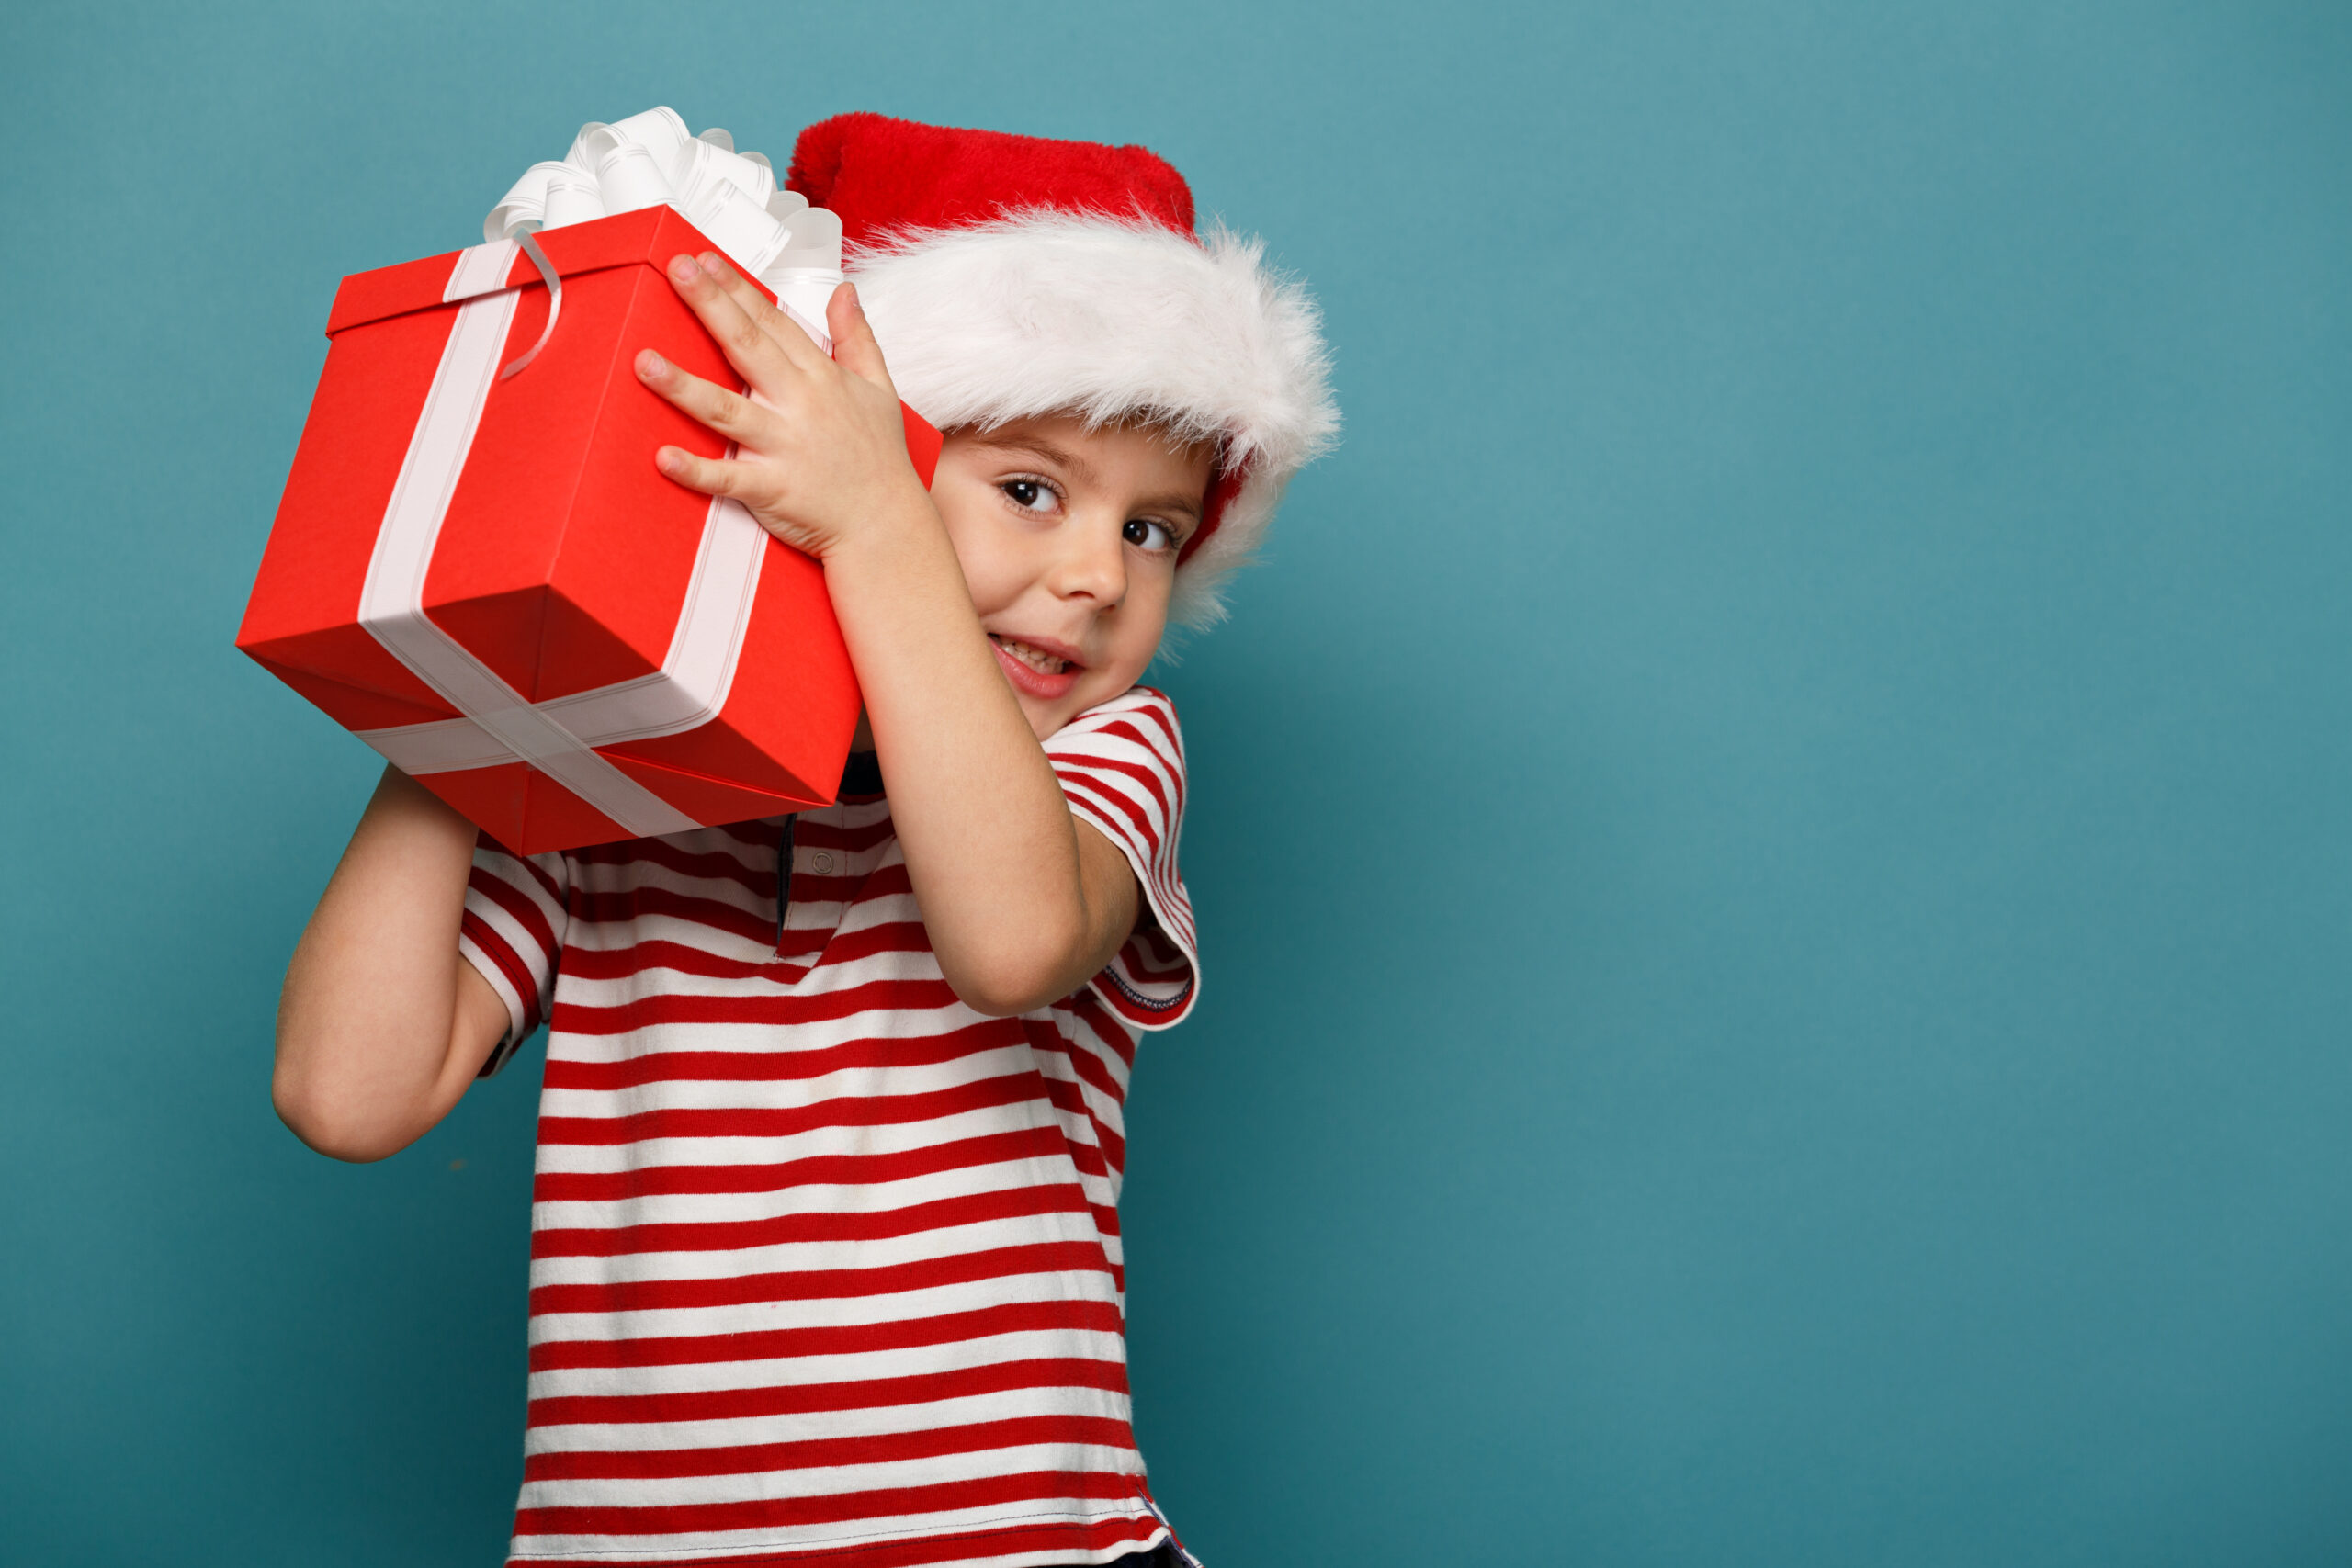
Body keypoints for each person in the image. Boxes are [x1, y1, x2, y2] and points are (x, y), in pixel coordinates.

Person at [271, 113, 1336, 1568]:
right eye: (1030, 490)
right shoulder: (615, 797)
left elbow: (1015, 941)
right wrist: (483, 669)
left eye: (1154, 531)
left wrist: (882, 528)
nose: (1097, 574)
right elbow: (348, 1095)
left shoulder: (1106, 754)